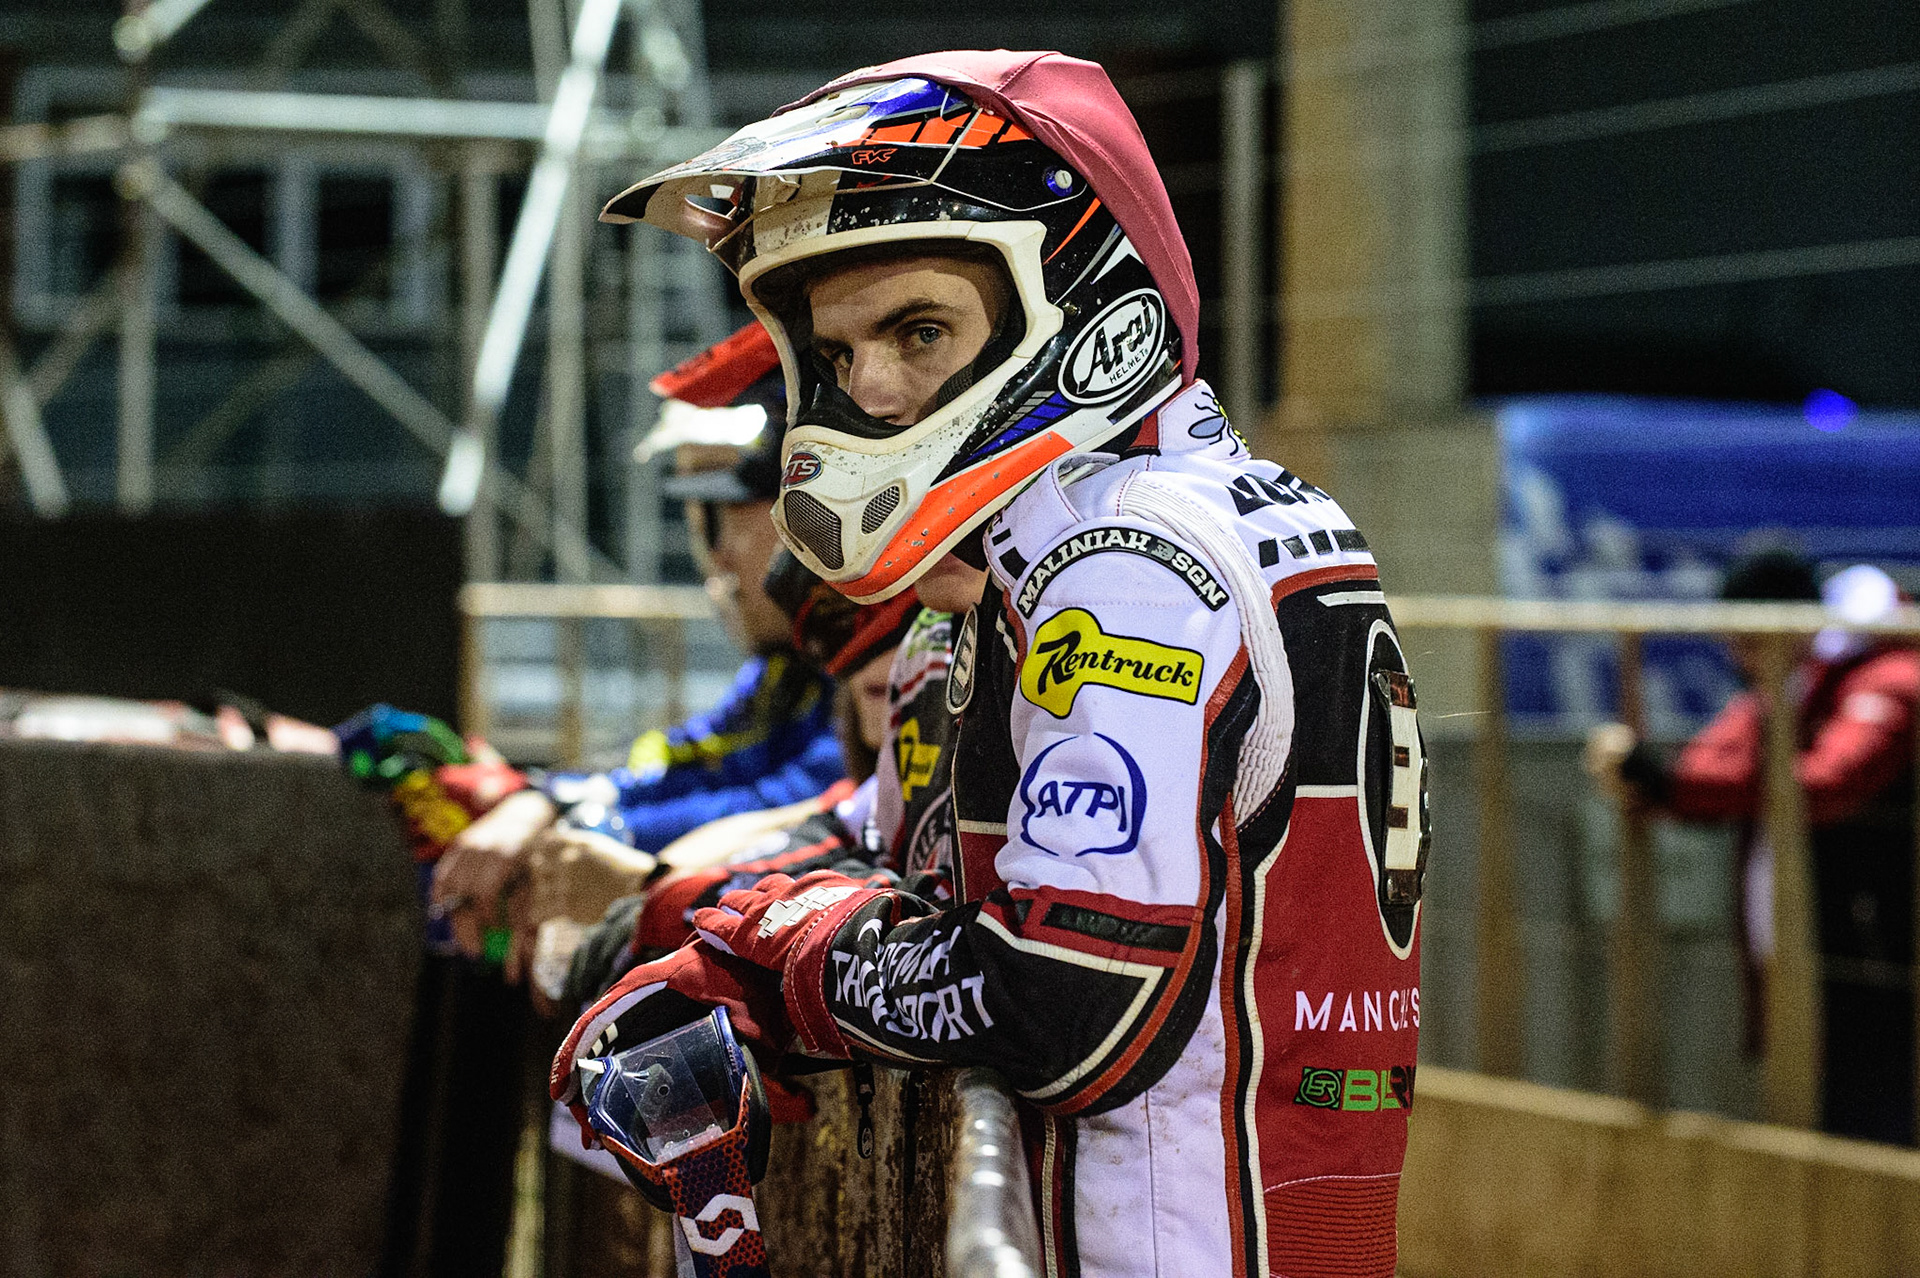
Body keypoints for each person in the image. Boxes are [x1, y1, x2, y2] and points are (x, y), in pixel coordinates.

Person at [553, 52, 1431, 1278]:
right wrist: (735, 959)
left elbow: (1062, 1006)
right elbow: (920, 887)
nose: (869, 386)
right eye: (838, 345)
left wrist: (788, 963)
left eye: (920, 328)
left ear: (1088, 311)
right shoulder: (1140, 532)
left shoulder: (1126, 558)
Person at [431, 327, 846, 971]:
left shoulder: (880, 652)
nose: (717, 561)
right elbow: (689, 760)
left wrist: (597, 833)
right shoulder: (787, 668)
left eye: (724, 517)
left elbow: (799, 795)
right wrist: (550, 801)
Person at [1587, 550, 1919, 1142]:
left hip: (1882, 960)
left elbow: (1825, 785)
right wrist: (1656, 780)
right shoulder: (1799, 677)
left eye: (1744, 634)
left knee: (1879, 1123)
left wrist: (1663, 782)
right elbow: (1711, 764)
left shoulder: (1889, 673)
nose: (1732, 650)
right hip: (1824, 957)